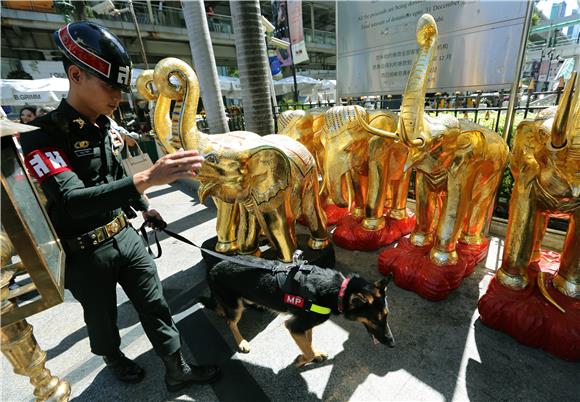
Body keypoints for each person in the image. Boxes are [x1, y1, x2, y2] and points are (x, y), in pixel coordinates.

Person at [19, 21, 220, 391]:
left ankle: (177, 367)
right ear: (76, 74)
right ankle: (113, 356)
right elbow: (71, 201)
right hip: (84, 253)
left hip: (126, 237)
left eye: (120, 88)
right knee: (101, 318)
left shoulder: (108, 127)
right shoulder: (41, 137)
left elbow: (121, 174)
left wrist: (145, 205)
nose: (117, 96)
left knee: (155, 304)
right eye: (109, 85)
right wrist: (148, 180)